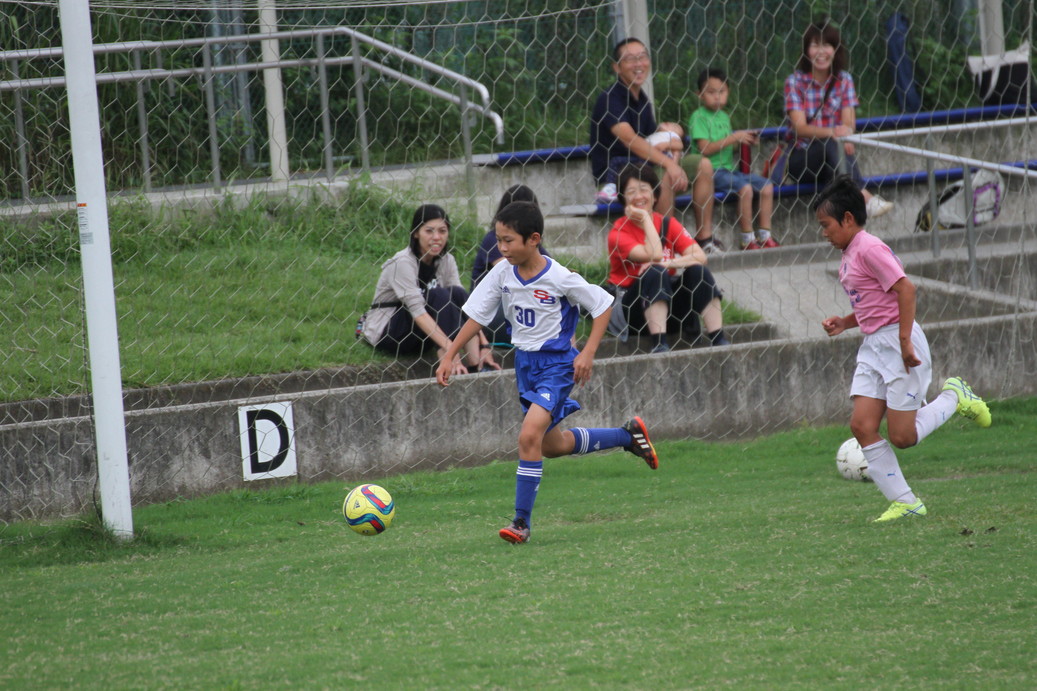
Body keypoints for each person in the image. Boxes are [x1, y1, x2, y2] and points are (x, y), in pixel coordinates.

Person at [436, 201, 660, 544]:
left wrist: (587, 353)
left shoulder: (559, 277)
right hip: (525, 366)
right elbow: (477, 316)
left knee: (528, 437)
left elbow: (602, 305)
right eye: (498, 239)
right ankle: (626, 436)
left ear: (533, 239)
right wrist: (450, 355)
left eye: (508, 240)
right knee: (552, 446)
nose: (501, 248)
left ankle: (520, 523)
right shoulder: (502, 273)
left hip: (556, 365)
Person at [816, 176, 991, 523]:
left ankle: (954, 397)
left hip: (897, 342)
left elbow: (906, 290)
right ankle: (906, 502)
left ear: (848, 219)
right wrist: (845, 322)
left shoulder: (869, 248)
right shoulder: (850, 253)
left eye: (826, 225)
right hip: (873, 346)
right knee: (862, 425)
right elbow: (873, 304)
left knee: (902, 436)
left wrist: (905, 341)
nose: (824, 233)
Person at [589, 37, 722, 253]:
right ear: (617, 67)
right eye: (630, 59)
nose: (638, 64)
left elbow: (654, 138)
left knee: (703, 165)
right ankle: (662, 246)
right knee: (665, 175)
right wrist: (670, 164)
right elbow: (631, 140)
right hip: (616, 175)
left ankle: (704, 239)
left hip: (645, 166)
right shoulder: (610, 99)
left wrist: (673, 144)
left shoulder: (641, 99)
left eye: (642, 57)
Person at [360, 203, 500, 375]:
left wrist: (484, 345)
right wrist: (451, 350)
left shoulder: (446, 260)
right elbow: (418, 313)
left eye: (442, 231)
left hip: (424, 333)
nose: (436, 237)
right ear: (416, 233)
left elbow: (464, 306)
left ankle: (476, 365)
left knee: (457, 293)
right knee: (438, 296)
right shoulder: (402, 262)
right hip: (389, 332)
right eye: (429, 231)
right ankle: (451, 365)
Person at [607, 164, 729, 353]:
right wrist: (645, 219)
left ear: (655, 195)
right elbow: (655, 254)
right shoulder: (618, 233)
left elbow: (700, 256)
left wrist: (668, 263)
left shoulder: (668, 224)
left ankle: (719, 339)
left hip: (668, 308)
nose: (638, 196)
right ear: (623, 199)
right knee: (654, 272)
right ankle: (659, 345)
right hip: (633, 313)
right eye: (631, 192)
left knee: (698, 271)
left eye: (644, 189)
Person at [784, 18, 894, 218]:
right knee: (832, 144)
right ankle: (863, 196)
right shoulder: (795, 82)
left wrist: (846, 133)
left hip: (834, 161)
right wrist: (835, 133)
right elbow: (800, 128)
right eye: (815, 45)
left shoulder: (844, 80)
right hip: (803, 159)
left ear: (835, 50)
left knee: (837, 172)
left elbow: (849, 123)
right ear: (806, 50)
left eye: (827, 45)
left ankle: (842, 223)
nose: (821, 52)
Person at [690, 67, 779, 251]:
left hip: (730, 171)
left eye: (721, 91)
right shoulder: (698, 117)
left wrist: (745, 140)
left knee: (767, 186)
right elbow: (705, 148)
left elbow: (726, 145)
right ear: (700, 94)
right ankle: (746, 239)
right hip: (712, 173)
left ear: (728, 92)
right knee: (745, 189)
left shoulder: (724, 116)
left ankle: (765, 235)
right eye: (711, 92)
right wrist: (734, 137)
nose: (717, 97)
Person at [470, 184, 549, 346]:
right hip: (495, 313)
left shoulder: (533, 246)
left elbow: (550, 275)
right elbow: (515, 274)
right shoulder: (496, 241)